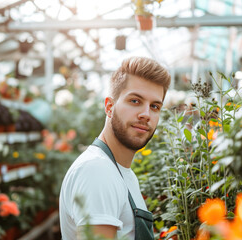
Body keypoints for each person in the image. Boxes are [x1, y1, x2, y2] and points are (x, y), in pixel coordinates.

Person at [59, 56, 171, 240]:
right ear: (109, 107)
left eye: (155, 106)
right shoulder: (97, 171)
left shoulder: (119, 171)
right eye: (135, 101)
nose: (146, 114)